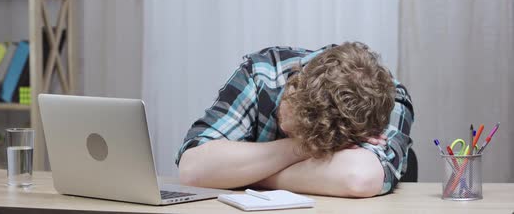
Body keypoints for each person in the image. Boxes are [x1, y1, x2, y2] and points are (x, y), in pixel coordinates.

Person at [175, 42, 413, 198]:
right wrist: (302, 147)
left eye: (304, 131)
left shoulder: (386, 100)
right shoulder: (264, 71)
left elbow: (358, 178)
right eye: (290, 100)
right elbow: (193, 169)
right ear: (298, 77)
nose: (285, 124)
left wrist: (242, 176)